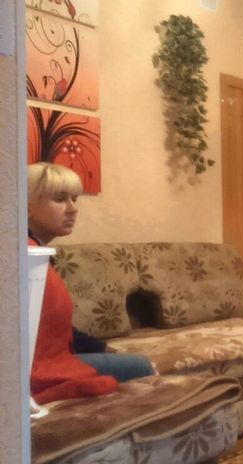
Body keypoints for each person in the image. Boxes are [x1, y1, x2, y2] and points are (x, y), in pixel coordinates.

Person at [28, 162, 154, 405]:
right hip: (38, 371)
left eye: (74, 199)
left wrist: (100, 347)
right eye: (60, 199)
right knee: (142, 366)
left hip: (52, 358)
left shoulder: (37, 252)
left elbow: (52, 326)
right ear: (27, 205)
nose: (73, 209)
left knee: (132, 361)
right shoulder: (27, 257)